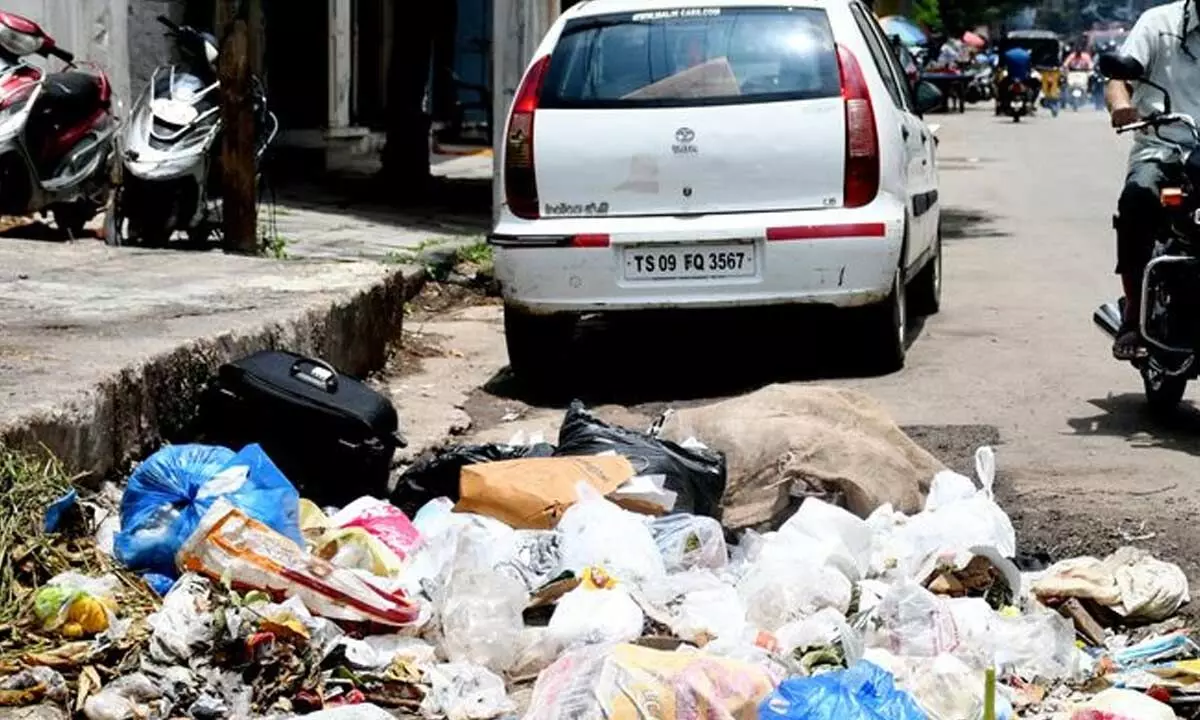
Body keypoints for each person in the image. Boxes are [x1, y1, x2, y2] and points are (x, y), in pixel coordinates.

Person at [1106, 0, 1200, 359]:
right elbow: (1119, 80)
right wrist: (1120, 107)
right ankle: (1133, 311)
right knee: (1139, 195)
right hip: (1164, 145)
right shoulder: (1158, 23)